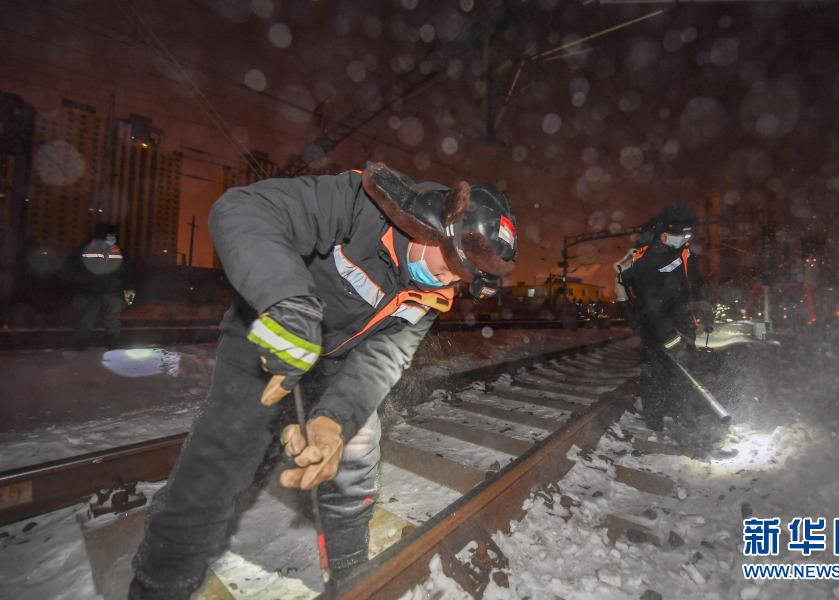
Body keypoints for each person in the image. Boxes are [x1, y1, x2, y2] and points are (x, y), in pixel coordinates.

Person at [128, 162, 518, 599]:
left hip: (338, 362)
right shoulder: (358, 203)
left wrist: (335, 420)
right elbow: (242, 209)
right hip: (268, 339)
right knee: (219, 461)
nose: (447, 280)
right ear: (429, 227)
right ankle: (158, 585)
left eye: (460, 278)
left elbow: (384, 357)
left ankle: (350, 578)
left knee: (353, 456)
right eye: (450, 264)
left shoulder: (431, 296)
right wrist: (288, 301)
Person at [618, 203, 712, 431]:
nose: (686, 239)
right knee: (657, 374)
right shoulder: (648, 259)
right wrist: (670, 337)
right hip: (656, 328)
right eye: (683, 235)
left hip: (679, 323)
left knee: (679, 374)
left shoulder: (683, 252)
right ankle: (658, 421)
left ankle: (680, 417)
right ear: (664, 234)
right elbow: (651, 305)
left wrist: (703, 309)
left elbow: (693, 283)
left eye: (689, 235)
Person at [73, 223, 135, 350]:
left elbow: (128, 274)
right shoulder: (116, 252)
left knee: (98, 319)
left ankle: (85, 345)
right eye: (111, 236)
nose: (112, 238)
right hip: (101, 291)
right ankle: (88, 345)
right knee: (93, 319)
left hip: (104, 291)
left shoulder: (91, 250)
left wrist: (129, 295)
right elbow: (128, 275)